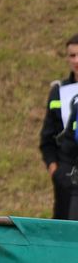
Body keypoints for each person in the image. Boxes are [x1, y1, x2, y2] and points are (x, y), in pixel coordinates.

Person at [40, 34, 78, 221]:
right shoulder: (58, 91)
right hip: (67, 175)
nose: (76, 60)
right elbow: (47, 138)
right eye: (72, 56)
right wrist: (56, 171)